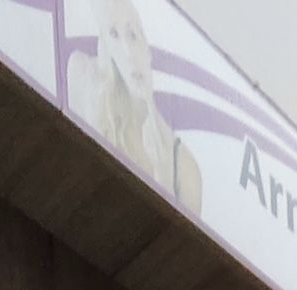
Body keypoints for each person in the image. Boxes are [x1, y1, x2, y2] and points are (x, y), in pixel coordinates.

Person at [68, 0, 202, 213]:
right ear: (106, 47)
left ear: (147, 48)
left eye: (132, 36)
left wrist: (163, 178)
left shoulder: (184, 166)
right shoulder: (83, 75)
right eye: (114, 35)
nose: (128, 53)